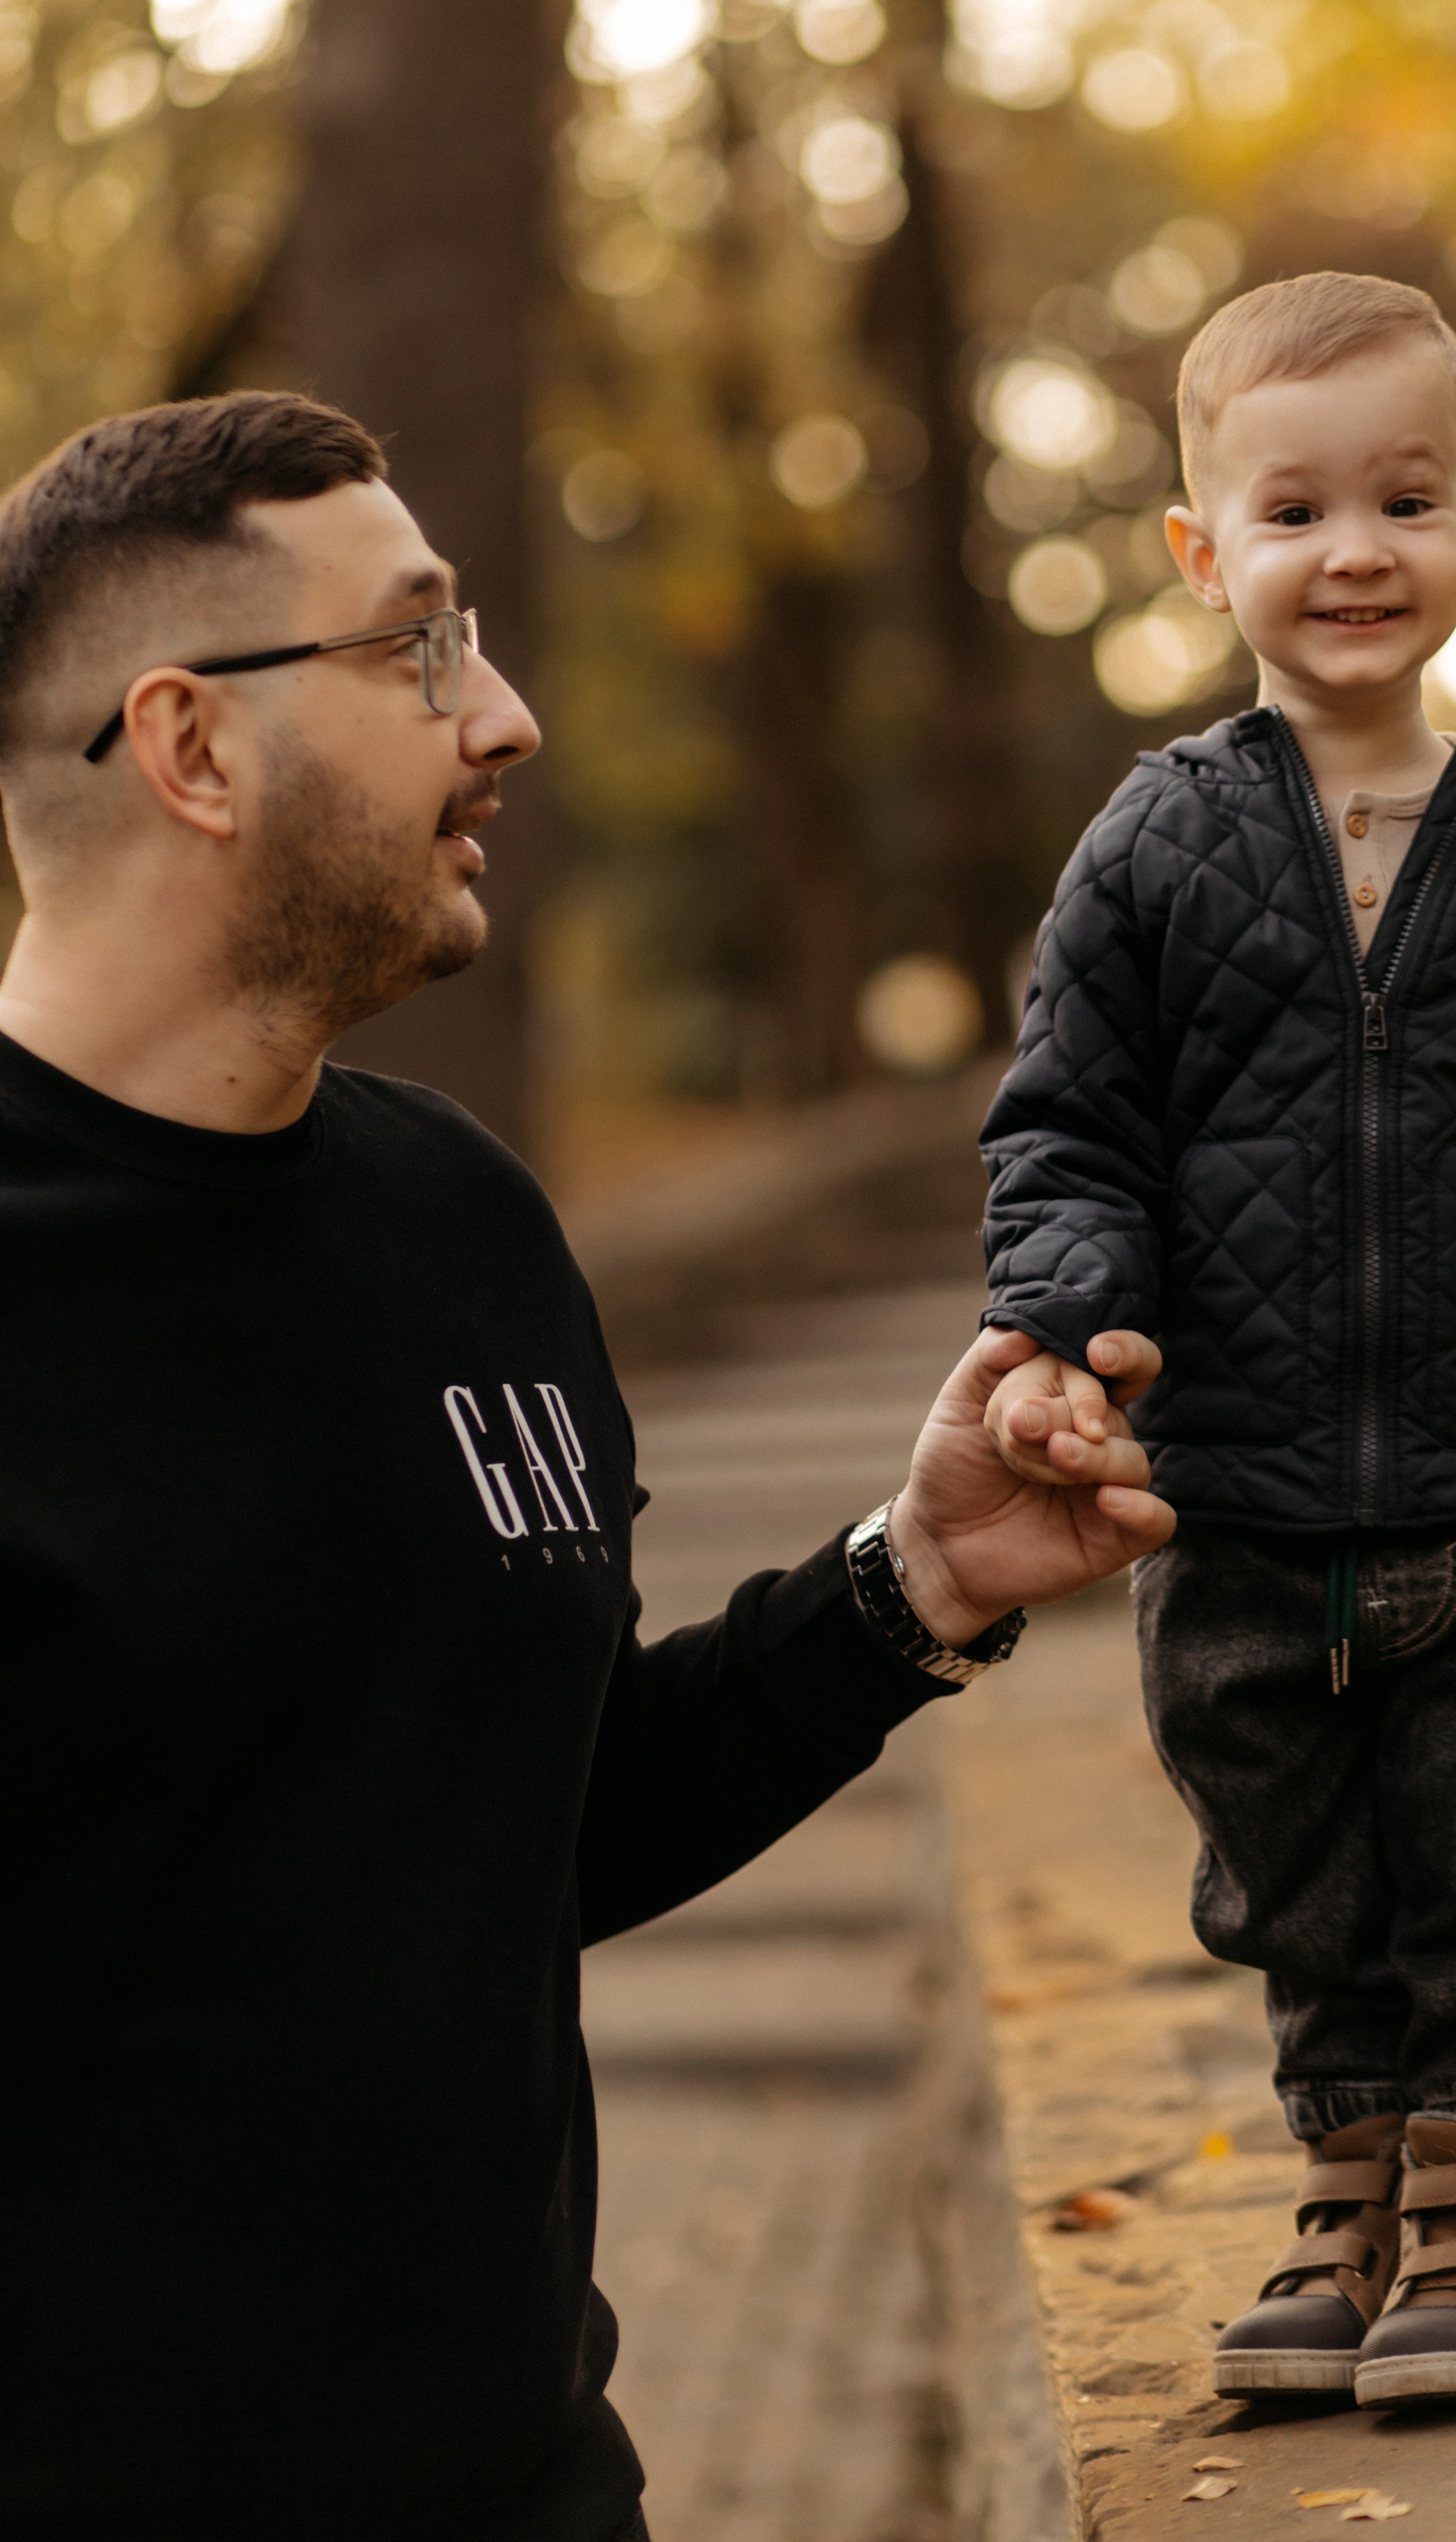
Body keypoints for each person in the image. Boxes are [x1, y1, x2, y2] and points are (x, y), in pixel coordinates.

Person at [0, 390, 1173, 2542]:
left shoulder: (462, 1228)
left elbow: (528, 1824)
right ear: (189, 747)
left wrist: (908, 1584)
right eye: (422, 648)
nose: (510, 718)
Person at [978, 273, 1456, 2410]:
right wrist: (1065, 1330)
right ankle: (1356, 2185)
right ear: (1203, 552)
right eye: (1295, 509)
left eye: (1405, 501)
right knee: (1296, 1875)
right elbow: (1066, 1128)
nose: (1354, 552)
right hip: (1232, 1488)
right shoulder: (1156, 849)